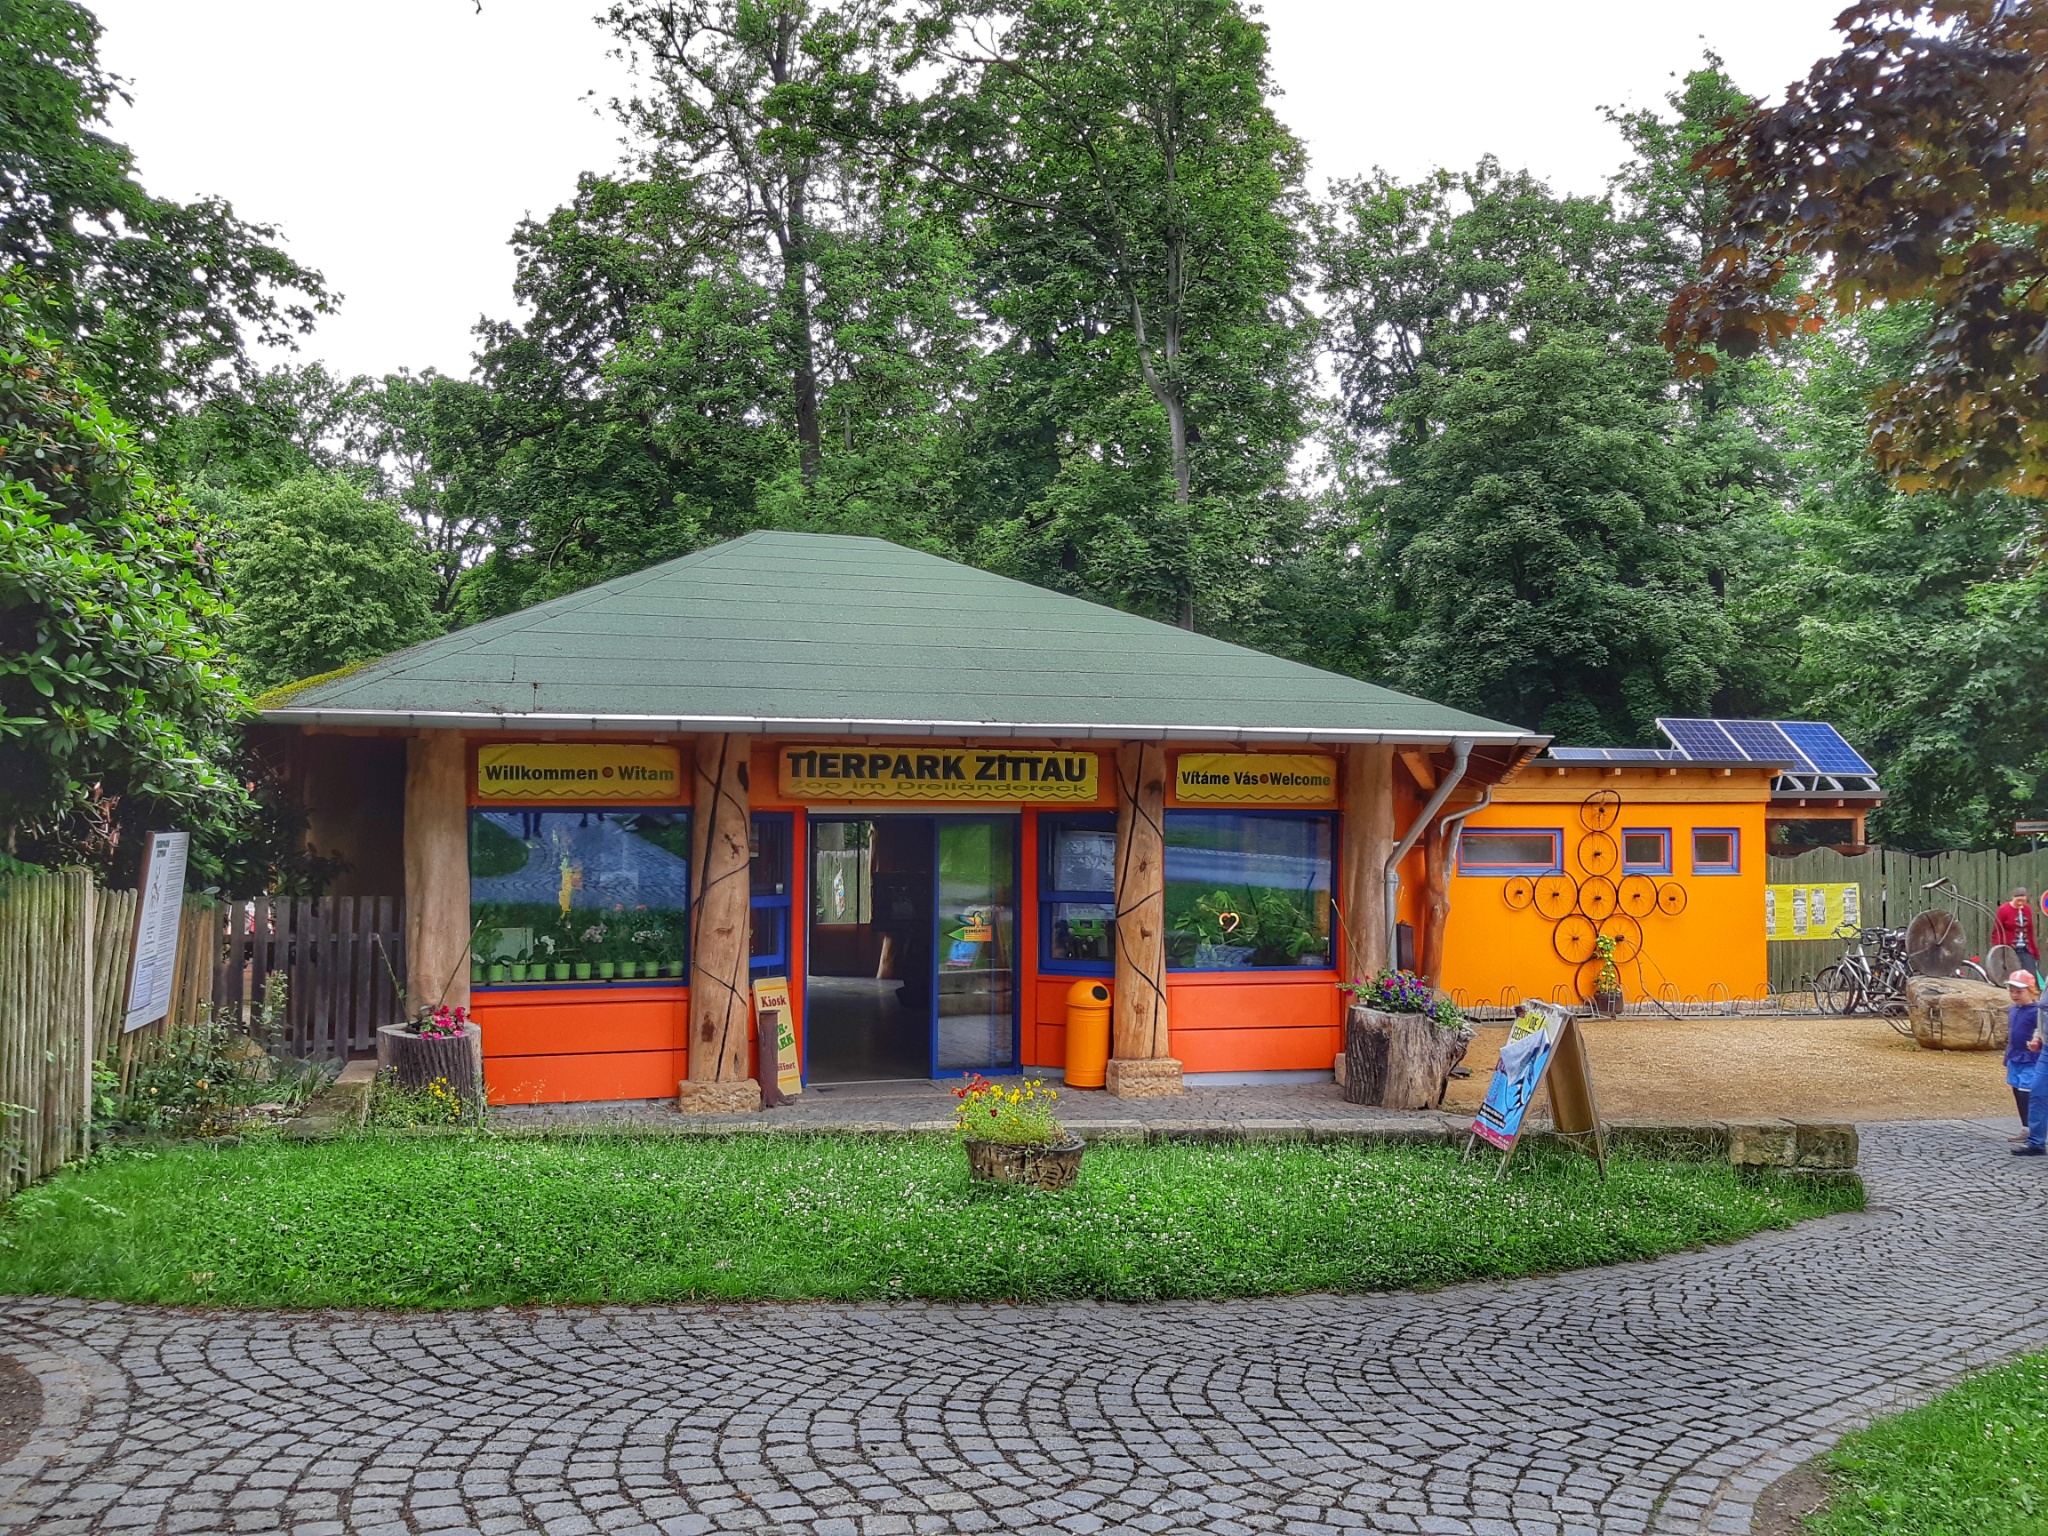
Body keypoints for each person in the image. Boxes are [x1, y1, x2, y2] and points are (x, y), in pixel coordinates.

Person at [2007, 970, 2041, 1145]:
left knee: (2026, 1092)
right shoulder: (2013, 1010)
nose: (2014, 995)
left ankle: (2032, 1128)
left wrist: (2037, 1041)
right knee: (2016, 1089)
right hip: (2015, 1056)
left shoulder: (2037, 1011)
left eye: (2019, 991)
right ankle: (2025, 1127)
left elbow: (2041, 1030)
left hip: (2031, 1058)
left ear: (2031, 990)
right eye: (2012, 991)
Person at [1992, 886, 2039, 981]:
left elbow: (2030, 932)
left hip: (2025, 949)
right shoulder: (2004, 909)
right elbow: (1997, 931)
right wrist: (2000, 950)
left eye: (2023, 901)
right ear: (2013, 897)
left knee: (2031, 978)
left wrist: (2034, 952)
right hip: (2010, 950)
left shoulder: (2027, 909)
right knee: (2014, 978)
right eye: (2018, 900)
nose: (2020, 903)